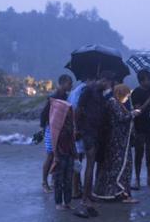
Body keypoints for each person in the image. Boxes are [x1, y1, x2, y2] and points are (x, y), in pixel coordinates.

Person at [75, 71, 115, 210]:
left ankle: (89, 194)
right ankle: (85, 198)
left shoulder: (100, 94)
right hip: (88, 132)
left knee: (92, 164)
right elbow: (78, 110)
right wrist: (78, 129)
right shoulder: (88, 91)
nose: (109, 87)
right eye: (109, 84)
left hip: (96, 132)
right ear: (104, 81)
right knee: (90, 164)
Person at [93, 84, 139, 203]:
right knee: (120, 167)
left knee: (116, 168)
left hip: (119, 142)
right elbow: (121, 118)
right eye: (126, 95)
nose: (127, 98)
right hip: (117, 143)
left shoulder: (116, 103)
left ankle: (119, 193)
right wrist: (133, 113)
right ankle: (122, 194)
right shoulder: (113, 103)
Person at [40, 74, 73, 193]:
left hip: (60, 129)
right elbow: (44, 115)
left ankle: (54, 180)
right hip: (52, 129)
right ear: (63, 83)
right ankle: (44, 182)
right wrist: (45, 128)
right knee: (50, 155)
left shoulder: (65, 96)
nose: (71, 85)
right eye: (69, 83)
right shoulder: (54, 97)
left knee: (57, 154)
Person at [130, 70, 150, 190]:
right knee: (139, 153)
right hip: (140, 127)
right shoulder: (136, 93)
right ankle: (137, 179)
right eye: (148, 79)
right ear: (141, 81)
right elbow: (138, 111)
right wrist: (149, 100)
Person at [48, 96, 77, 210]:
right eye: (68, 111)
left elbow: (72, 140)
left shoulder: (69, 124)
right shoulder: (56, 126)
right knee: (59, 180)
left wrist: (74, 154)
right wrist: (57, 156)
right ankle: (59, 203)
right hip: (60, 155)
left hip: (69, 154)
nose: (70, 114)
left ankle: (67, 202)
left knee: (68, 179)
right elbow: (55, 143)